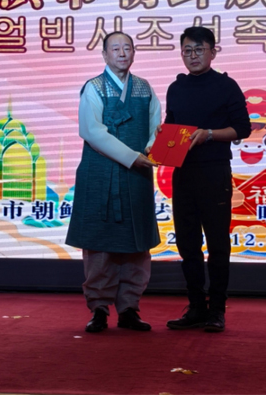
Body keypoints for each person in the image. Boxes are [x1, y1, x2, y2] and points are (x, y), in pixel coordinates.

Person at [66, 31, 161, 333]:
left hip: (137, 176)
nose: (122, 53)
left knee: (136, 244)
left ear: (134, 53)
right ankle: (98, 309)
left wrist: (150, 149)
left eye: (127, 48)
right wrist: (132, 157)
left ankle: (129, 308)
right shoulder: (93, 87)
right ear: (104, 54)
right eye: (115, 48)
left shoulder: (144, 88)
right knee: (100, 245)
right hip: (100, 174)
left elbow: (156, 127)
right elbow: (91, 132)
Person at [164, 26, 251, 333]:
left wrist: (210, 135)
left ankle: (217, 310)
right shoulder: (176, 88)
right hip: (183, 173)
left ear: (213, 52)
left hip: (214, 172)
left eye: (199, 50)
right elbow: (171, 127)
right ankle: (196, 307)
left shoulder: (226, 86)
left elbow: (243, 129)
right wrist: (161, 140)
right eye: (187, 50)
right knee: (187, 243)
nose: (193, 56)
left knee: (217, 243)